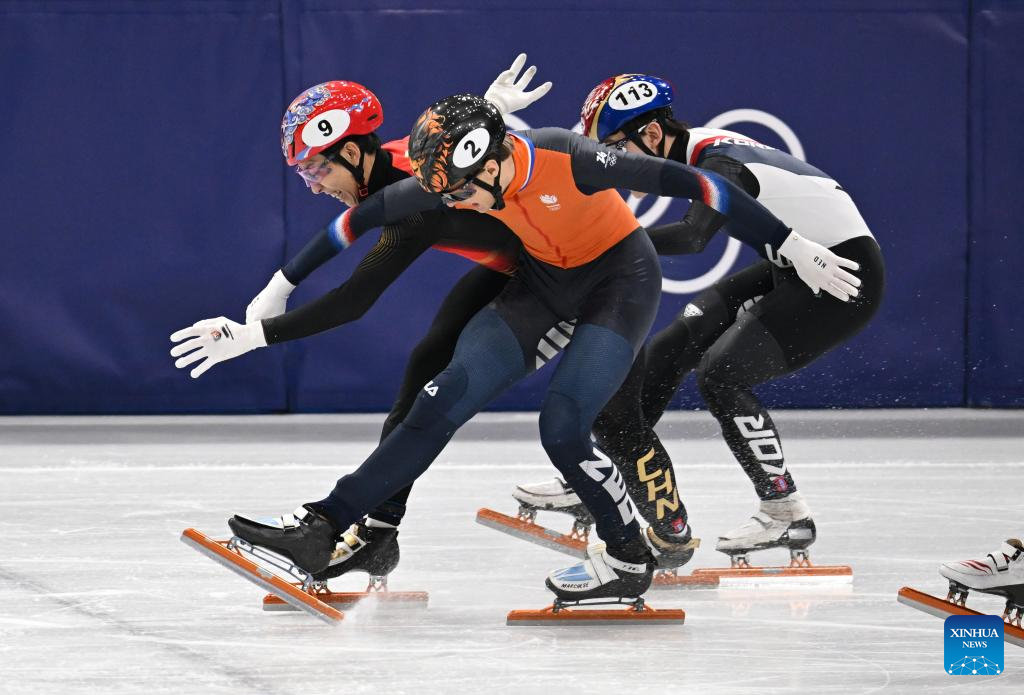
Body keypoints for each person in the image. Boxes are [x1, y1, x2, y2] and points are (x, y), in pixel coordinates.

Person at [172, 92, 860, 604]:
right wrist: (275, 291)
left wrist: (789, 242)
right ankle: (324, 523)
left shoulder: (570, 157)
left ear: (495, 160)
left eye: (464, 192)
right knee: (440, 397)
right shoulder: (457, 177)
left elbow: (701, 184)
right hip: (542, 281)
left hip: (619, 282)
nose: (461, 205)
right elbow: (358, 219)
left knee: (563, 426)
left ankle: (628, 558)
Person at [179, 59, 551, 586]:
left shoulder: (414, 203)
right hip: (518, 269)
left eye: (315, 170)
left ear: (352, 153)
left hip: (563, 278)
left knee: (439, 401)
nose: (313, 187)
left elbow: (353, 301)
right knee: (422, 376)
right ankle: (377, 535)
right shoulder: (400, 158)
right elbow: (348, 228)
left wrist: (253, 337)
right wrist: (280, 285)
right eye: (303, 174)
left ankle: (629, 510)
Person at [515, 73, 885, 567]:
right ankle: (605, 479)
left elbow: (694, 237)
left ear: (651, 134)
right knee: (666, 351)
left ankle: (785, 511)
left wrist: (603, 246)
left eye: (616, 149)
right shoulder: (699, 150)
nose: (614, 164)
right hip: (795, 268)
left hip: (842, 278)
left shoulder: (719, 162)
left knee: (722, 375)